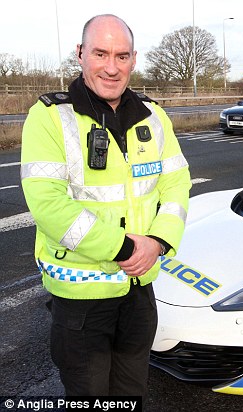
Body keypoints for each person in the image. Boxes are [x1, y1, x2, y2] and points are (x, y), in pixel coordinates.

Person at [20, 14, 191, 399]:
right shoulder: (49, 117)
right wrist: (128, 248)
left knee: (131, 395)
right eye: (100, 53)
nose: (111, 67)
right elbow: (48, 205)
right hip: (81, 304)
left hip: (139, 293)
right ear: (80, 54)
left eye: (121, 55)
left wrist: (159, 242)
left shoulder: (154, 115)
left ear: (133, 59)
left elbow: (177, 184)